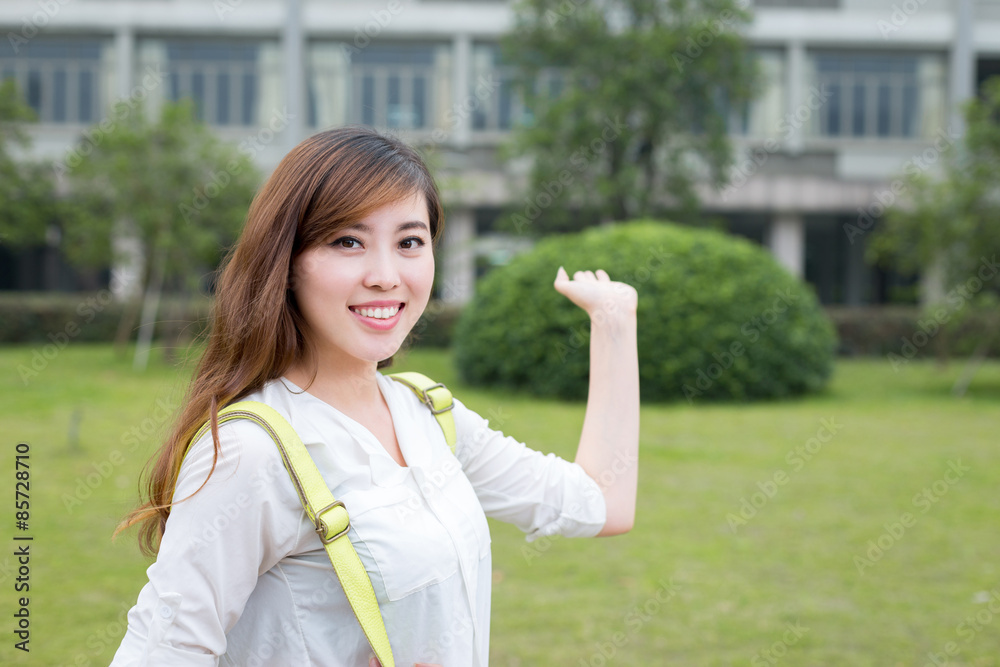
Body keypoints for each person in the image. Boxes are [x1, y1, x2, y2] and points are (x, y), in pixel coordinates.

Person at [110, 127, 639, 667]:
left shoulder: (428, 413)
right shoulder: (254, 451)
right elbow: (163, 652)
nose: (386, 277)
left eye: (409, 242)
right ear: (287, 262)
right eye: (348, 242)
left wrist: (614, 322)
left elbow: (601, 501)